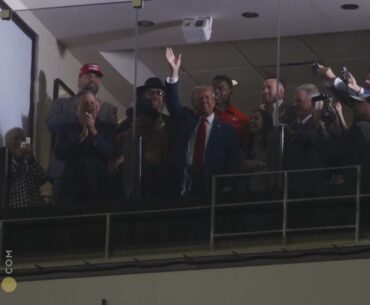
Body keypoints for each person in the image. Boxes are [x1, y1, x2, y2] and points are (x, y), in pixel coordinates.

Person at [164, 47, 239, 201]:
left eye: (207, 97)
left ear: (214, 101)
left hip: (212, 186)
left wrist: (229, 186)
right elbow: (172, 104)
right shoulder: (187, 119)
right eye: (200, 98)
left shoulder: (227, 130)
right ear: (193, 103)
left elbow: (232, 162)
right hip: (183, 182)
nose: (204, 100)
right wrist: (174, 72)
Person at [46, 63, 117, 206]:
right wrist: (78, 118)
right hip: (63, 171)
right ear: (79, 80)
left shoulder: (108, 109)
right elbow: (51, 124)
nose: (93, 79)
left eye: (97, 77)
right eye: (89, 76)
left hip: (96, 176)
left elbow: (111, 141)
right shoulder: (62, 103)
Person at [54, 90, 115, 208]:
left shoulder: (108, 128)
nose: (89, 106)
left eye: (92, 103)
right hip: (71, 190)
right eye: (86, 103)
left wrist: (94, 132)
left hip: (99, 189)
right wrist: (80, 138)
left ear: (97, 108)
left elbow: (110, 152)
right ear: (77, 109)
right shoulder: (66, 128)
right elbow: (59, 154)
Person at [5, 128, 48, 208]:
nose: (19, 141)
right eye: (15, 138)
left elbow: (43, 179)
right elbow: (8, 179)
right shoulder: (5, 163)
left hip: (36, 208)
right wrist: (18, 159)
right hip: (15, 210)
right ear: (8, 143)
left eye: (23, 139)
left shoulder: (29, 161)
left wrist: (31, 159)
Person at [241, 109, 275, 197]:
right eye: (251, 118)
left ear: (265, 122)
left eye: (256, 119)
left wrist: (259, 164)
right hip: (248, 190)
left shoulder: (272, 142)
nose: (251, 121)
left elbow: (275, 165)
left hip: (268, 190)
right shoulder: (248, 142)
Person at [211, 75, 249, 141]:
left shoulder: (242, 118)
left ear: (231, 91)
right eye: (214, 88)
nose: (216, 92)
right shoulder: (204, 115)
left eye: (221, 88)